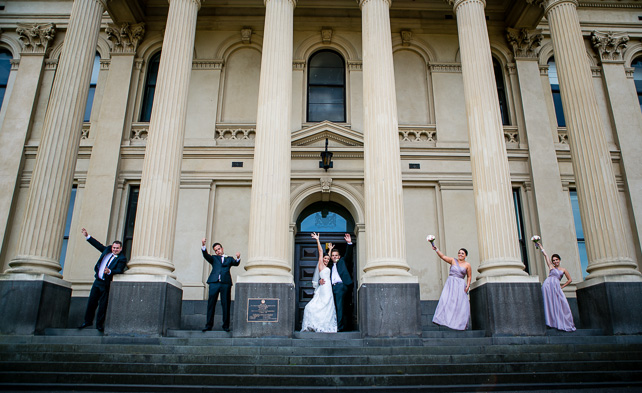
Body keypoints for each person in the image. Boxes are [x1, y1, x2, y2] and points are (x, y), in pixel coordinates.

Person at [78, 228, 127, 333]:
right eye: (114, 247)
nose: (114, 250)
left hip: (106, 284)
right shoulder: (107, 250)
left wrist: (109, 271)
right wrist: (87, 236)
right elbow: (98, 245)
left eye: (117, 248)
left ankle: (99, 325)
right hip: (97, 281)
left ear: (121, 249)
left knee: (102, 305)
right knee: (91, 302)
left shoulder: (122, 258)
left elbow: (119, 270)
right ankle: (87, 321)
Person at [201, 239, 240, 332]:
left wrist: (238, 257)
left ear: (222, 248)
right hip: (214, 283)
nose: (218, 251)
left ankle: (226, 326)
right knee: (211, 304)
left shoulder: (229, 258)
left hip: (225, 283)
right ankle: (208, 325)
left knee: (226, 304)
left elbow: (236, 263)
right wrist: (203, 246)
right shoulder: (214, 258)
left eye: (219, 249)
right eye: (216, 250)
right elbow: (206, 255)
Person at [301, 233, 337, 332]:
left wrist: (329, 250)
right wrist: (317, 240)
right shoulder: (321, 265)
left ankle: (326, 324)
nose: (326, 260)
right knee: (323, 303)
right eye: (325, 258)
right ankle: (317, 323)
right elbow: (321, 252)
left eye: (327, 259)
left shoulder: (327, 265)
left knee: (328, 304)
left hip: (328, 287)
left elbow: (328, 256)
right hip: (324, 287)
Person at [431, 244, 471, 330]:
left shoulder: (467, 265)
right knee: (446, 299)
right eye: (459, 253)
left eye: (462, 253)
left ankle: (459, 323)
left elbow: (469, 276)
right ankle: (442, 319)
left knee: (460, 303)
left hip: (460, 284)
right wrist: (436, 249)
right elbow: (443, 257)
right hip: (451, 283)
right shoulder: (453, 260)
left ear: (465, 255)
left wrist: (468, 286)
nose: (460, 254)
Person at [537, 243, 576, 332]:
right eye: (553, 260)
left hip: (556, 287)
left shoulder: (564, 269)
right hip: (547, 285)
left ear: (559, 260)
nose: (555, 261)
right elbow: (545, 255)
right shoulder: (551, 266)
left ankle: (561, 322)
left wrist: (562, 287)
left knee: (562, 303)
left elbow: (570, 280)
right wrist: (541, 246)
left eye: (556, 260)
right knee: (549, 303)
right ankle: (550, 322)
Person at [318, 233, 353, 332]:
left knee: (339, 307)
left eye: (336, 255)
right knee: (331, 307)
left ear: (339, 256)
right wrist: (319, 280)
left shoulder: (342, 261)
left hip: (340, 287)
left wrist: (349, 243)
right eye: (333, 255)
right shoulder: (329, 265)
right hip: (330, 288)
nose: (334, 257)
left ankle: (339, 327)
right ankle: (330, 325)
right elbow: (322, 272)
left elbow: (348, 255)